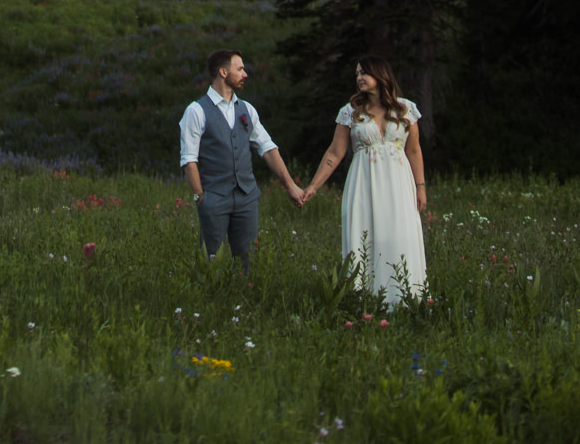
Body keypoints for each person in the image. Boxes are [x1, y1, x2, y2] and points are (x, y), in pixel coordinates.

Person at [297, 54, 427, 304]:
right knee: (366, 237)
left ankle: (404, 299)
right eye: (356, 74)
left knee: (400, 235)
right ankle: (365, 300)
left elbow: (413, 150)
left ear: (380, 75)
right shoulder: (351, 112)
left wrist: (421, 187)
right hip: (364, 183)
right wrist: (313, 186)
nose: (359, 78)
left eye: (363, 73)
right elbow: (335, 153)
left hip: (398, 184)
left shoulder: (404, 109)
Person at [179, 48, 304, 268]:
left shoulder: (247, 110)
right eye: (240, 69)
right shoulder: (196, 111)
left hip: (246, 198)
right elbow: (189, 160)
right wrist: (201, 198)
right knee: (211, 262)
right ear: (223, 72)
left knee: (247, 261)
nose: (245, 74)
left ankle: (242, 300)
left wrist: (290, 185)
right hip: (213, 198)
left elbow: (268, 149)